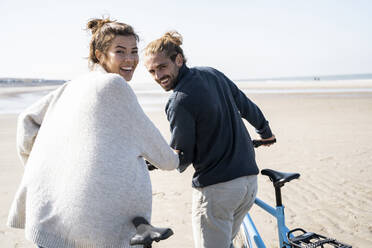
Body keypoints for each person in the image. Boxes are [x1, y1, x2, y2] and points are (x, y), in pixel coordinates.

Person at [7, 18, 179, 248]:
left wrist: (45, 170)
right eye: (120, 51)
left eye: (134, 51)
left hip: (49, 217)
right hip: (88, 231)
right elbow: (165, 159)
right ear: (100, 55)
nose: (130, 59)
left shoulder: (72, 86)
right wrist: (175, 155)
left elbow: (26, 121)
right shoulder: (115, 86)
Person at [144, 31, 276, 248]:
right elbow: (245, 104)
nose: (158, 76)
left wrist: (153, 161)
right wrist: (265, 132)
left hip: (217, 191)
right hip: (249, 183)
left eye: (162, 67)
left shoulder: (178, 101)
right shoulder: (212, 74)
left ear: (178, 59)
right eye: (151, 71)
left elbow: (183, 157)